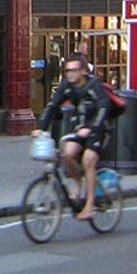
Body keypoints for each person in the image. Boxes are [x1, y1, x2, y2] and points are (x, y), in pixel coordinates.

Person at [34, 53, 111, 221]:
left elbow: (103, 108)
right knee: (67, 155)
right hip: (80, 128)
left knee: (88, 161)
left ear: (83, 71)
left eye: (74, 70)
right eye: (67, 71)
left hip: (99, 129)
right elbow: (53, 106)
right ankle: (78, 183)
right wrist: (41, 128)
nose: (70, 74)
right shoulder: (67, 87)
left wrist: (91, 128)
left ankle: (89, 206)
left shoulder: (94, 85)